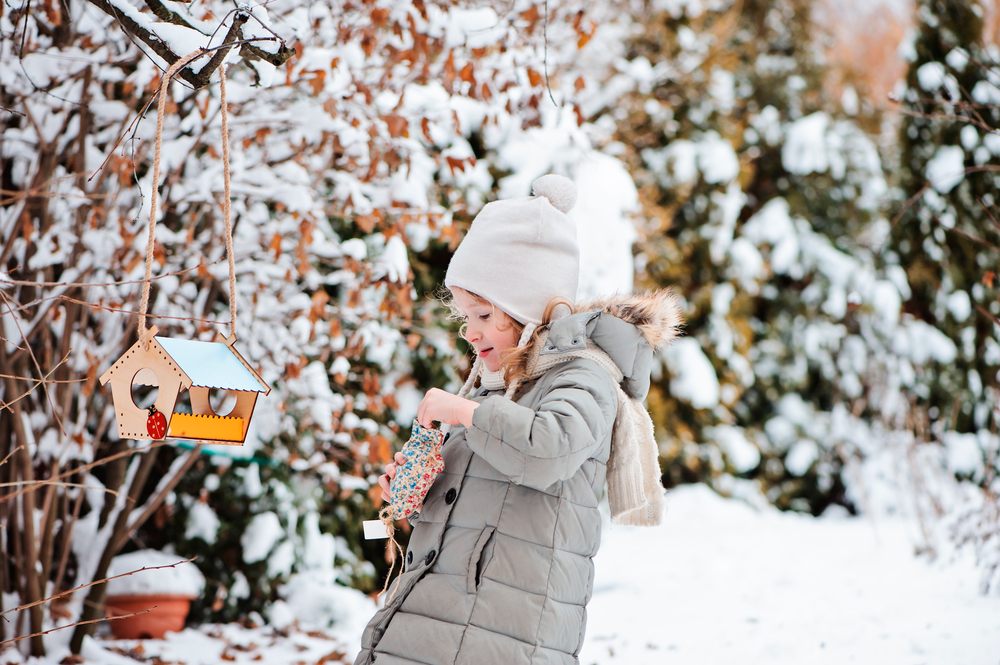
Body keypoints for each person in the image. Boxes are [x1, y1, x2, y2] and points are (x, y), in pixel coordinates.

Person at [354, 174, 682, 665]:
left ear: (526, 310)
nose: (470, 331)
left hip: (504, 632)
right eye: (466, 316)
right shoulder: (498, 388)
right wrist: (421, 494)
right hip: (447, 621)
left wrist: (462, 411)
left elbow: (546, 451)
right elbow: (490, 504)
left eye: (484, 314)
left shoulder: (584, 378)